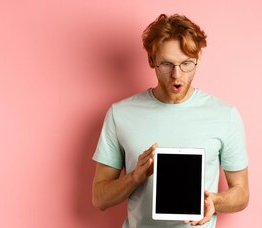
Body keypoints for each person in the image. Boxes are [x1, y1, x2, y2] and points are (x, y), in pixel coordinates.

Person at [91, 13, 249, 228]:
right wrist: (134, 177)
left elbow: (241, 193)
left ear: (198, 59)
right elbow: (100, 199)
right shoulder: (120, 114)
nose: (177, 75)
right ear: (151, 60)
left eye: (186, 64)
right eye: (166, 64)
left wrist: (213, 200)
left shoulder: (225, 115)